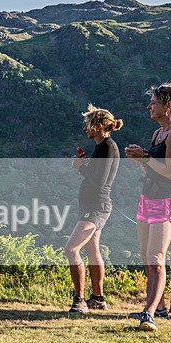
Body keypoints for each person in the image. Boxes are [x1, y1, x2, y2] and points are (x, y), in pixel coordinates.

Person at [125, 81, 171, 331]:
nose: (148, 107)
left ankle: (149, 313)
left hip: (168, 200)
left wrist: (145, 158)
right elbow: (153, 166)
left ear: (169, 105)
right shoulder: (158, 133)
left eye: (153, 102)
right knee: (146, 256)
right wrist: (141, 158)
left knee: (155, 257)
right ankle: (161, 308)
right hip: (148, 196)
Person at [66, 105, 122, 314]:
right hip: (93, 205)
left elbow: (98, 180)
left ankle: (79, 300)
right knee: (92, 250)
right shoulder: (104, 146)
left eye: (87, 124)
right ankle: (98, 299)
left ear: (97, 126)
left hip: (96, 207)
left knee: (71, 249)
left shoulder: (108, 146)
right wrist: (86, 165)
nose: (85, 128)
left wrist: (81, 167)